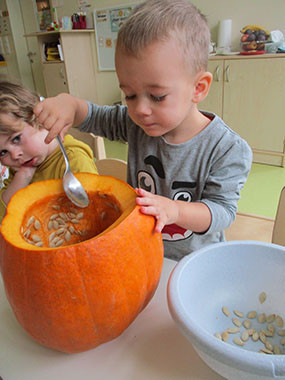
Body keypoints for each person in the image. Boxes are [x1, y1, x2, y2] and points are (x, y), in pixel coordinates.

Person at [34, 0, 252, 261]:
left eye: (157, 96)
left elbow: (222, 212)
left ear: (199, 88)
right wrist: (70, 105)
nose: (140, 109)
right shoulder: (135, 124)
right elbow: (94, 115)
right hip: (140, 251)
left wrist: (175, 210)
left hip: (193, 263)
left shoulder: (227, 149)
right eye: (130, 95)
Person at [0, 81, 98, 222]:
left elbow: (92, 212)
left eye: (16, 139)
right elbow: (5, 216)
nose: (15, 155)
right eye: (3, 152)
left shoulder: (74, 159)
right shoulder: (20, 168)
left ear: (40, 120)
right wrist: (23, 177)